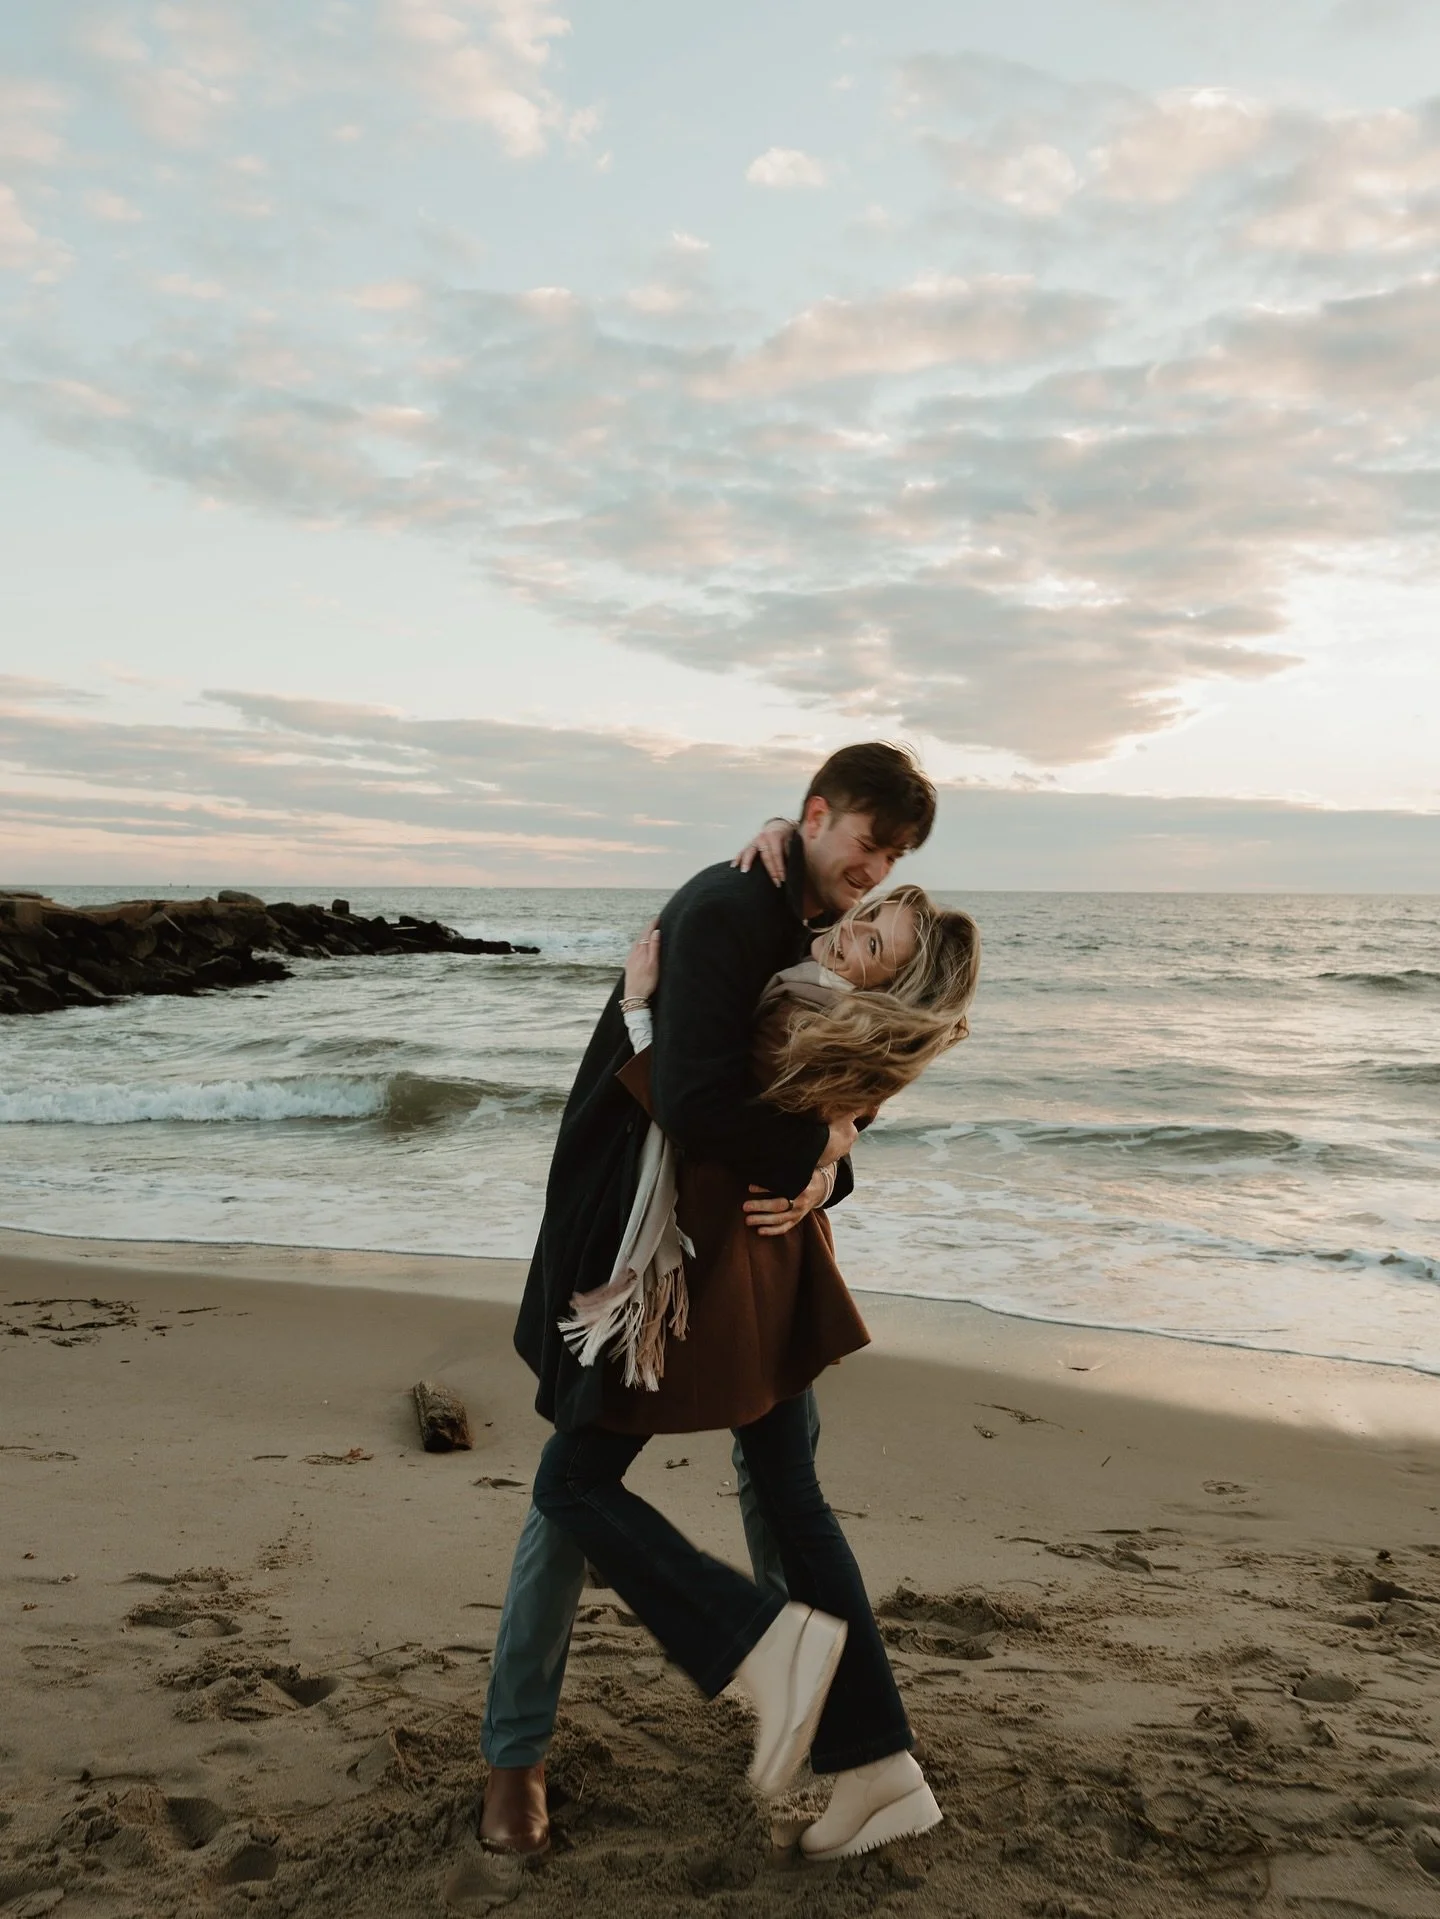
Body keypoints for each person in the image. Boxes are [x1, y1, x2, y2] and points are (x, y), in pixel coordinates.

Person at [480, 743, 937, 1855]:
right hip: (644, 1243)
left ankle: (834, 1722)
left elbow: (824, 1077)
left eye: (896, 859)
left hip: (741, 1243)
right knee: (589, 1477)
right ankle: (522, 1754)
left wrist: (831, 1156)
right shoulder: (734, 904)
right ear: (817, 813)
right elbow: (689, 1094)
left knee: (646, 1482)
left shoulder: (797, 913)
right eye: (869, 843)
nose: (873, 873)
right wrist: (814, 1152)